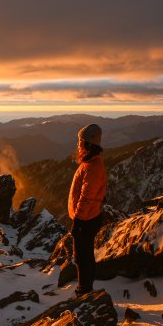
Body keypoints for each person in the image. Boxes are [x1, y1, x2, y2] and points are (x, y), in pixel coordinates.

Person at [68, 123, 107, 297]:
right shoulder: (91, 163)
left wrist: (78, 220)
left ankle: (84, 291)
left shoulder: (92, 167)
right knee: (85, 255)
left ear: (88, 144)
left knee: (82, 258)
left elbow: (87, 197)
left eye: (80, 142)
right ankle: (86, 288)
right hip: (89, 217)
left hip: (86, 219)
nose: (78, 145)